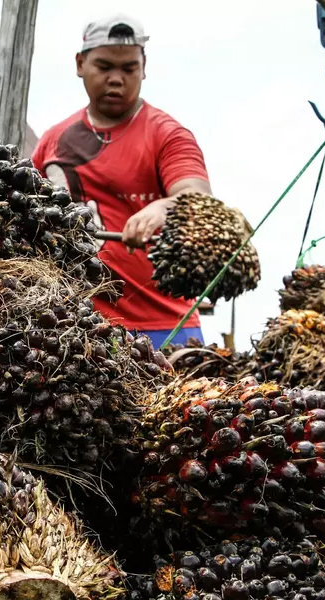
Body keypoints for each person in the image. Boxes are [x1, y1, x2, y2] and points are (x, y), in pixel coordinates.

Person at [31, 13, 213, 350]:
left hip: (165, 326)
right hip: (78, 327)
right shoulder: (52, 142)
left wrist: (164, 207)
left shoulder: (167, 135)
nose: (116, 79)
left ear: (144, 68)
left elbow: (199, 198)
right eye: (104, 67)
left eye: (129, 68)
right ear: (80, 64)